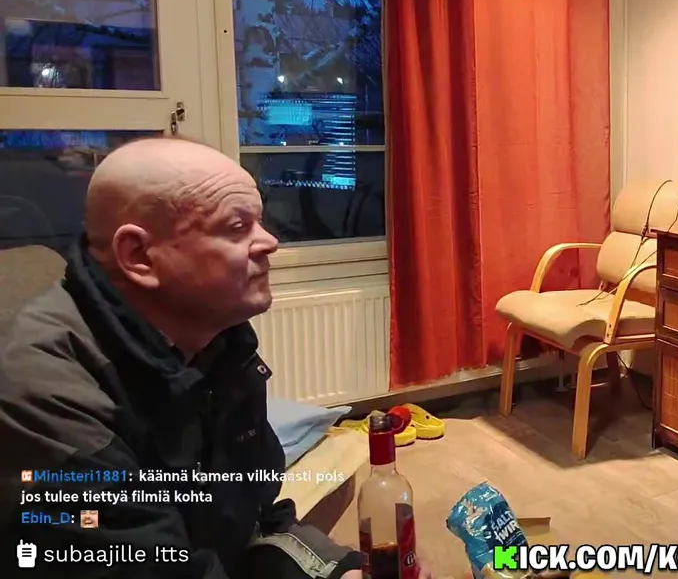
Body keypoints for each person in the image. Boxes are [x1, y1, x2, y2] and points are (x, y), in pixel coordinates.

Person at [0, 137, 426, 579]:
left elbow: (253, 517)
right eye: (237, 226)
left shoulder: (219, 339)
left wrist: (338, 570)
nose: (270, 242)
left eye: (260, 222)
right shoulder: (43, 393)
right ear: (139, 256)